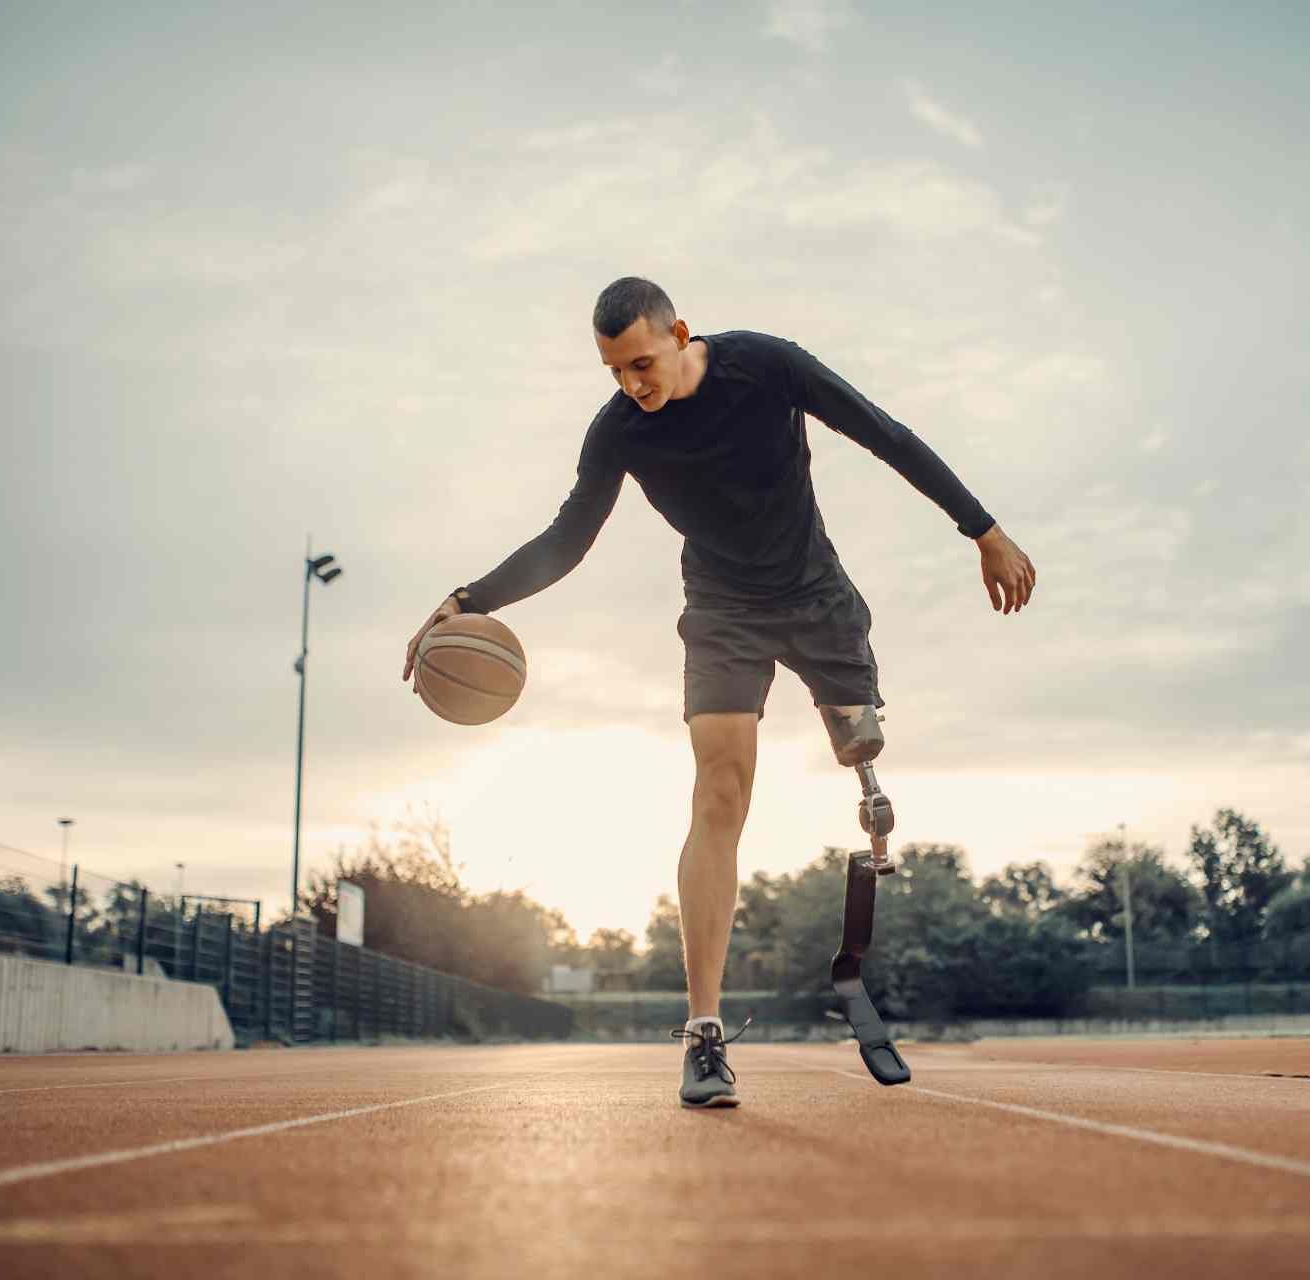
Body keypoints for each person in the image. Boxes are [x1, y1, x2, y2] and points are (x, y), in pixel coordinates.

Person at [402, 277, 1035, 1108]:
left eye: (640, 363)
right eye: (613, 371)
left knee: (860, 740)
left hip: (817, 598)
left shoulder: (767, 367)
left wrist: (983, 530)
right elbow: (566, 541)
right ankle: (704, 1034)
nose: (632, 384)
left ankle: (866, 773)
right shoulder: (621, 432)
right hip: (723, 612)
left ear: (679, 334)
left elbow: (886, 435)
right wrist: (468, 598)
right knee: (720, 791)